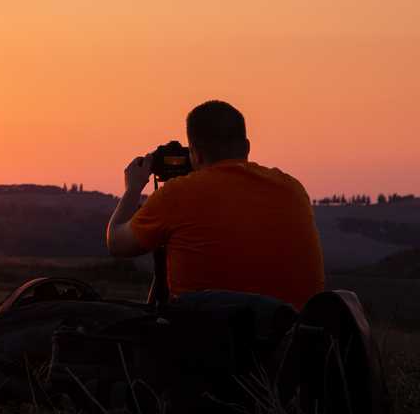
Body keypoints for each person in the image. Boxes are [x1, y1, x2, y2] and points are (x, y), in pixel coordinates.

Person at [105, 100, 326, 308]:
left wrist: (133, 188)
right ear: (247, 147)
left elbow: (116, 242)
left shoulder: (179, 194)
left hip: (205, 344)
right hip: (292, 341)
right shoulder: (293, 189)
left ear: (196, 155)